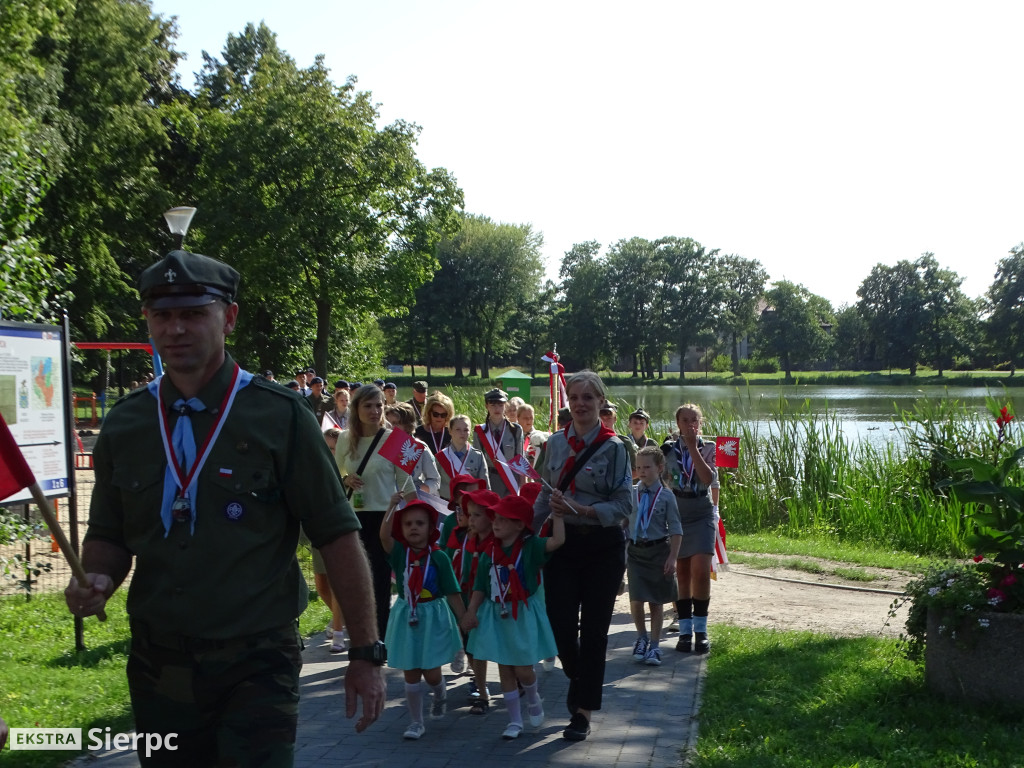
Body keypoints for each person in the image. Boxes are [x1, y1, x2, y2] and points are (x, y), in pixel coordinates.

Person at [64, 249, 385, 767]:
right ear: (147, 321)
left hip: (256, 661)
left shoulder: (278, 416)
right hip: (159, 662)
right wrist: (97, 577)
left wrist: (366, 653)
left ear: (228, 318)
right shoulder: (126, 423)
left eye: (193, 313)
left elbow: (337, 534)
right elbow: (109, 533)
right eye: (162, 315)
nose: (175, 329)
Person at [533, 370, 633, 742]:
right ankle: (581, 678)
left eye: (588, 398)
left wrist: (584, 510)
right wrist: (527, 534)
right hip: (563, 544)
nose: (580, 404)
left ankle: (582, 712)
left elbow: (625, 504)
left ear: (600, 402)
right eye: (574, 397)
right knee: (558, 624)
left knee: (594, 631)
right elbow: (545, 495)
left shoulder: (616, 447)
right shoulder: (555, 445)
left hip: (603, 546)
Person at [461, 495, 565, 740]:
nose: (496, 523)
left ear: (520, 525)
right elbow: (480, 587)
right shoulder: (489, 551)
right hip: (496, 614)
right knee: (505, 668)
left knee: (523, 669)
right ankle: (515, 721)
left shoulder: (530, 547)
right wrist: (471, 611)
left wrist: (558, 515)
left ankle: (532, 696)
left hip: (521, 613)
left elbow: (558, 540)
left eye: (504, 520)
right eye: (495, 518)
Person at [379, 500, 465, 740]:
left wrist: (464, 619)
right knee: (411, 670)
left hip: (432, 617)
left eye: (420, 523)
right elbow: (384, 537)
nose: (413, 528)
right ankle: (416, 722)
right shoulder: (400, 553)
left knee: (431, 672)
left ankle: (439, 692)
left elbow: (452, 592)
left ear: (431, 528)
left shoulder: (439, 558)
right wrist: (390, 508)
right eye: (407, 524)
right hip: (407, 615)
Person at [337, 384, 408, 640]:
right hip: (355, 516)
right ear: (356, 409)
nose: (375, 411)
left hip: (385, 517)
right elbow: (336, 472)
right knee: (357, 579)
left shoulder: (396, 439)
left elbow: (407, 484)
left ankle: (383, 638)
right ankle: (362, 636)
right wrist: (346, 479)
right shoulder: (345, 438)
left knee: (380, 578)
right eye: (368, 405)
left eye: (379, 405)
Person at [664, 403, 718, 654]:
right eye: (684, 420)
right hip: (677, 512)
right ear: (678, 423)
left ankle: (701, 630)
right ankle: (685, 632)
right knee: (682, 574)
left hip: (701, 512)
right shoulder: (667, 449)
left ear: (701, 422)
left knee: (701, 570)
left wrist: (693, 448)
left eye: (694, 420)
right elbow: (654, 477)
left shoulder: (708, 448)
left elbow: (708, 479)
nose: (689, 424)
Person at [627, 446, 682, 666]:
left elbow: (676, 529)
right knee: (636, 598)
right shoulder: (631, 493)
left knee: (656, 602)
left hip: (659, 551)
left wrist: (673, 558)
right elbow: (623, 521)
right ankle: (641, 637)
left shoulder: (667, 496)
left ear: (659, 468)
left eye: (647, 467)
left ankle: (655, 645)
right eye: (639, 467)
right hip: (635, 552)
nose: (642, 471)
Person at [473, 388, 524, 498]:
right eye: (493, 405)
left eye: (500, 405)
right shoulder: (480, 432)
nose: (497, 408)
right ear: (486, 406)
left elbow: (520, 460)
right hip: (490, 479)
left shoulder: (515, 430)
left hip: (511, 479)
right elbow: (478, 463)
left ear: (505, 405)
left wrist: (522, 486)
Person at [385, 402, 441, 496]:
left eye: (395, 423)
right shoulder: (381, 446)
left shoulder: (419, 448)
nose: (390, 427)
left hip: (412, 499)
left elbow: (434, 480)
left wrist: (419, 490)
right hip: (387, 499)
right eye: (388, 423)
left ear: (407, 425)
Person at [436, 414, 489, 500]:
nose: (462, 433)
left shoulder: (477, 456)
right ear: (450, 431)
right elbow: (435, 483)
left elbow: (485, 486)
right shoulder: (441, 457)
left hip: (470, 505)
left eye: (466, 430)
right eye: (458, 429)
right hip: (445, 503)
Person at [414, 391, 454, 456]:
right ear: (429, 413)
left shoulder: (452, 433)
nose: (439, 417)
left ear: (448, 415)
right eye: (436, 414)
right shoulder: (417, 432)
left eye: (443, 415)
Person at [517, 403, 549, 468]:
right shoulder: (513, 435)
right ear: (518, 418)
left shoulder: (540, 437)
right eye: (525, 418)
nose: (529, 420)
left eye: (531, 418)